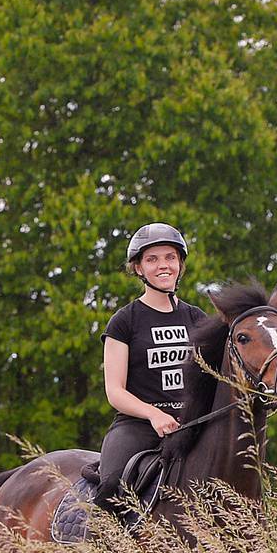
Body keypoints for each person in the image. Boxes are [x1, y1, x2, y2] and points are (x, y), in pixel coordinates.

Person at [98, 222, 207, 522]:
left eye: (170, 257)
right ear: (138, 269)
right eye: (152, 259)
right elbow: (115, 391)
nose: (163, 266)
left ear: (180, 265)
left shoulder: (197, 318)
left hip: (190, 425)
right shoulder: (124, 321)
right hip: (137, 426)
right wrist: (154, 414)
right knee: (110, 486)